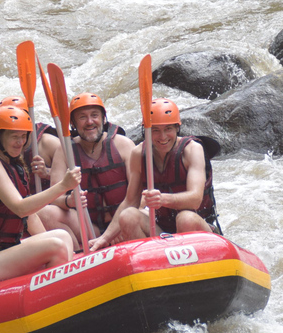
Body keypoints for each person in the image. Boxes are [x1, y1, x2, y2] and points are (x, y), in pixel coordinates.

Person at [0, 105, 81, 287]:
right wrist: (62, 186)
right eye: (14, 137)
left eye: (23, 137)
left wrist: (55, 248)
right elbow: (20, 208)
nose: (20, 142)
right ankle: (57, 299)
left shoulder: (13, 166)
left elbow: (31, 215)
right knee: (55, 246)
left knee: (61, 237)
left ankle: (63, 291)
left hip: (2, 251)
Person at [89, 98, 221, 252]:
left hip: (197, 227)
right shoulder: (138, 153)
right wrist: (104, 238)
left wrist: (162, 199)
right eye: (155, 130)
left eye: (168, 129)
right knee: (128, 216)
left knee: (185, 218)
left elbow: (195, 200)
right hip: (163, 231)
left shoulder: (192, 150)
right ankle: (152, 264)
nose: (163, 137)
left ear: (177, 128)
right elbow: (130, 201)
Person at [39, 92, 135, 249]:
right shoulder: (65, 151)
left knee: (132, 216)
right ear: (73, 124)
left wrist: (114, 230)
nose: (90, 122)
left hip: (123, 224)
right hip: (90, 229)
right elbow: (53, 196)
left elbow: (140, 195)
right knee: (46, 213)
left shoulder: (124, 145)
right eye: (82, 117)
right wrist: (67, 201)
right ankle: (78, 257)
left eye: (94, 115)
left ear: (103, 119)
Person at [0, 61, 61, 193]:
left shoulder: (48, 143)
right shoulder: (0, 136)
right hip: (15, 207)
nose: (15, 126)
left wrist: (47, 172)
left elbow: (74, 172)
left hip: (46, 207)